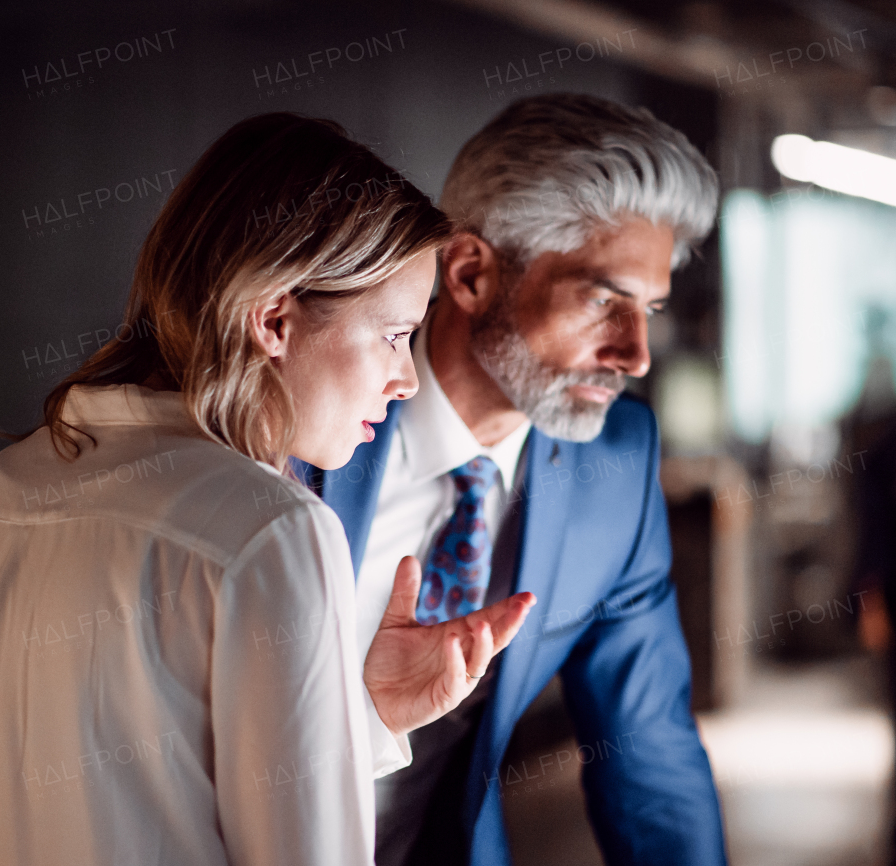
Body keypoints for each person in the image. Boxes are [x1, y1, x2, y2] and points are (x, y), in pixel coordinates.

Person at [0, 113, 536, 866]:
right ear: (274, 319)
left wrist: (357, 716)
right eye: (396, 335)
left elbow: (113, 796)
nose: (405, 381)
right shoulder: (273, 528)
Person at [300, 94, 726, 865]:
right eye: (604, 301)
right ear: (469, 273)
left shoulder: (614, 463)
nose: (637, 356)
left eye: (650, 309)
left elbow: (649, 749)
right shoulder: (301, 414)